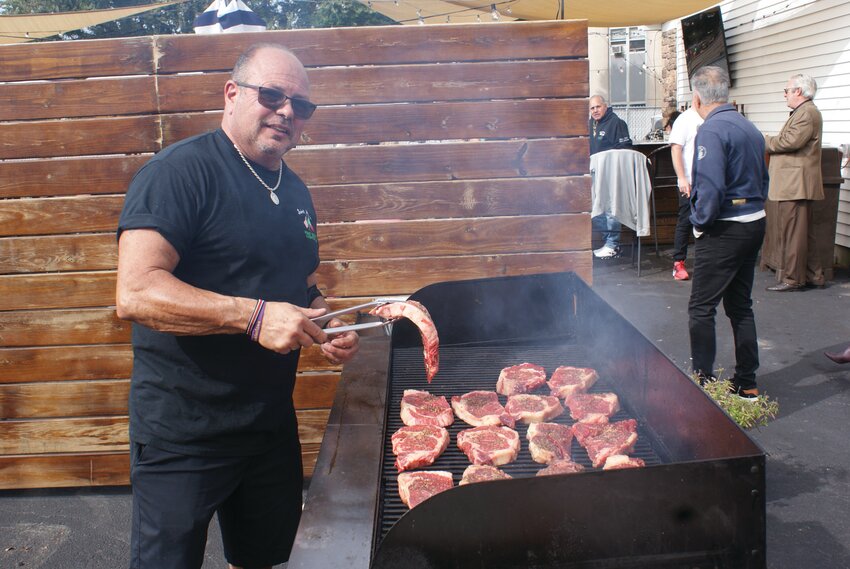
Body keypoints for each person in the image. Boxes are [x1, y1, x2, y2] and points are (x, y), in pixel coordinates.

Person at [115, 44, 360, 569]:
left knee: (266, 560)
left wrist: (325, 317)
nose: (288, 112)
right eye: (272, 95)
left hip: (269, 427)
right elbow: (135, 291)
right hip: (184, 433)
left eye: (302, 105)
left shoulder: (293, 189)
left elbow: (298, 282)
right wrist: (252, 316)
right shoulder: (179, 173)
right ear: (232, 94)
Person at [687, 66, 769, 401]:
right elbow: (764, 178)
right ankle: (746, 383)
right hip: (755, 220)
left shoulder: (711, 130)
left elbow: (711, 187)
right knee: (740, 306)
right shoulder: (750, 127)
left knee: (701, 307)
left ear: (696, 97)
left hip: (726, 227)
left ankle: (703, 384)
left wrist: (700, 222)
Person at [763, 73, 825, 292]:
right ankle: (813, 275)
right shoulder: (804, 112)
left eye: (787, 90)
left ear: (798, 91)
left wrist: (763, 139)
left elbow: (789, 141)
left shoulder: (807, 113)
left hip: (795, 185)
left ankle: (792, 279)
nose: (785, 95)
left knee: (794, 234)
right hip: (795, 184)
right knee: (802, 233)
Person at [588, 94, 633, 259]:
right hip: (594, 173)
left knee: (611, 209)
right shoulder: (591, 124)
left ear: (605, 106)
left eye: (598, 107)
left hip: (612, 174)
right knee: (595, 209)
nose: (595, 110)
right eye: (592, 108)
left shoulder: (616, 123)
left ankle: (613, 244)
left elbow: (625, 147)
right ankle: (609, 242)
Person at [668, 106, 704, 281]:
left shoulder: (712, 115)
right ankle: (678, 263)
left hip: (709, 180)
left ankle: (705, 263)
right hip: (689, 180)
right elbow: (676, 149)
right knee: (685, 220)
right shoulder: (685, 119)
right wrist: (682, 178)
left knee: (708, 222)